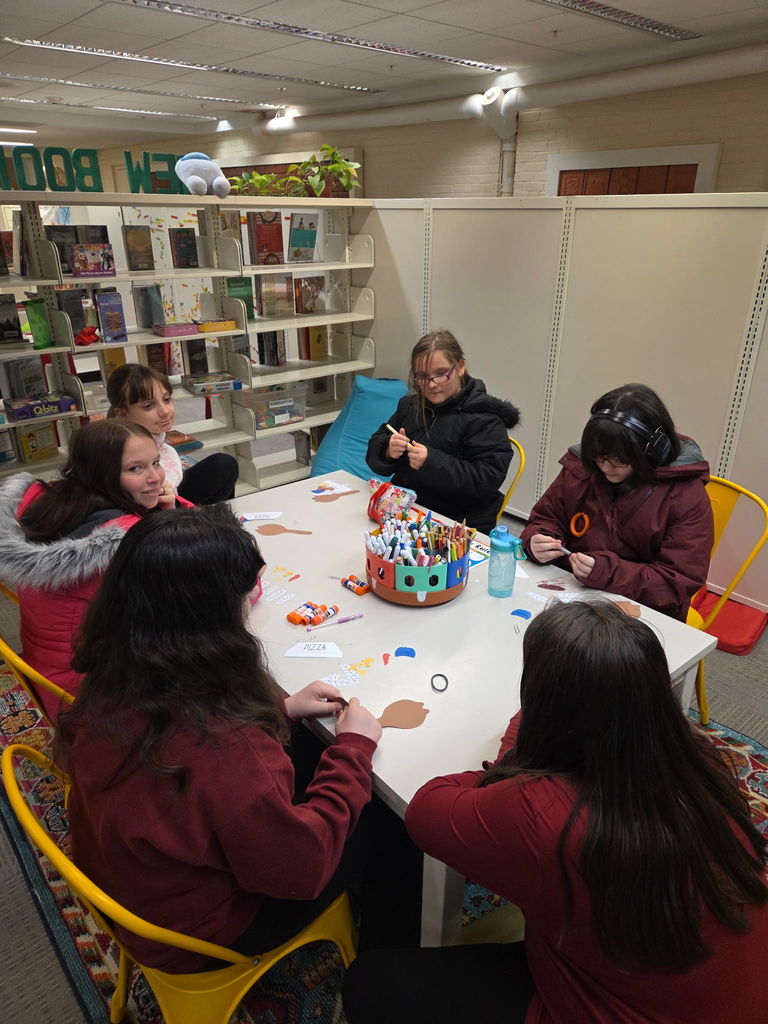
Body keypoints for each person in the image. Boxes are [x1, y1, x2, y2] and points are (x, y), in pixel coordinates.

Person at [342, 600, 768, 1024]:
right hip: (730, 987)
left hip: (619, 1008)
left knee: (370, 982)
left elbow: (425, 810)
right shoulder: (702, 760)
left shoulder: (541, 810)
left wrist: (520, 750)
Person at [56, 505, 421, 973]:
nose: (252, 599)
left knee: (308, 746)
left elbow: (212, 776)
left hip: (136, 887)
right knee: (395, 821)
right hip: (201, 934)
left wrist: (280, 710)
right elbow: (301, 870)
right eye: (246, 593)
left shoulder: (120, 669)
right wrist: (353, 750)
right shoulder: (223, 745)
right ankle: (388, 966)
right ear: (211, 614)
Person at [0, 419, 187, 721]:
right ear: (102, 474)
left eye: (155, 462)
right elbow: (200, 589)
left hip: (50, 675)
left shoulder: (53, 498)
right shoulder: (123, 542)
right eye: (135, 469)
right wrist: (171, 521)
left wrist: (168, 512)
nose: (155, 477)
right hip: (92, 699)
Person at [520, 383, 713, 620]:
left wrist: (608, 572)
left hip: (642, 612)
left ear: (651, 450)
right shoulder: (580, 468)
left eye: (618, 460)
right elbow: (546, 517)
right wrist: (537, 540)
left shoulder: (685, 493)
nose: (605, 467)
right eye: (597, 457)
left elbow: (678, 580)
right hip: (571, 593)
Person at [366, 330, 520, 535]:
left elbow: (486, 479)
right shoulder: (410, 406)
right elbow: (374, 451)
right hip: (406, 511)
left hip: (458, 523)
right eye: (422, 377)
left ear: (461, 367)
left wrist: (430, 462)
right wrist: (387, 450)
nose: (431, 384)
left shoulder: (484, 417)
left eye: (441, 373)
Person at [107, 363, 239, 505]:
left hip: (169, 495)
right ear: (123, 414)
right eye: (148, 406)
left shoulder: (153, 439)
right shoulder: (123, 451)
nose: (165, 411)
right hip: (151, 506)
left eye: (166, 399)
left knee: (224, 465)